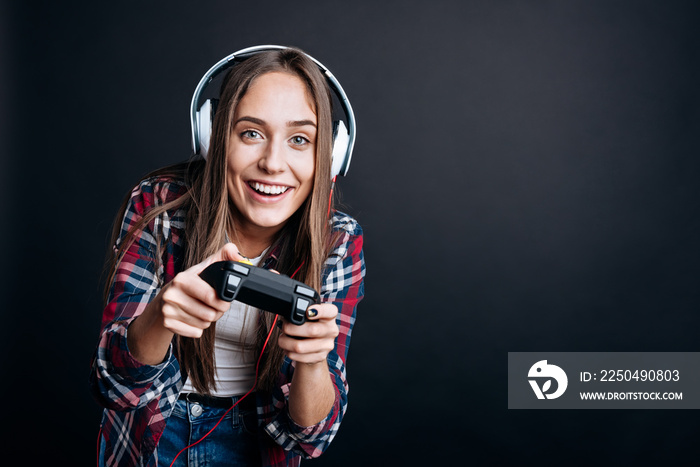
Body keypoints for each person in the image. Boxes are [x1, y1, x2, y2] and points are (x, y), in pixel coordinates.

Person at [89, 46, 366, 467]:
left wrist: (312, 363)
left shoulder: (337, 242)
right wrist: (160, 315)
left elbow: (309, 438)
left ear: (329, 156)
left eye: (299, 139)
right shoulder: (159, 206)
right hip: (152, 439)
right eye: (251, 133)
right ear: (214, 138)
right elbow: (115, 387)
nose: (273, 163)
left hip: (257, 444)